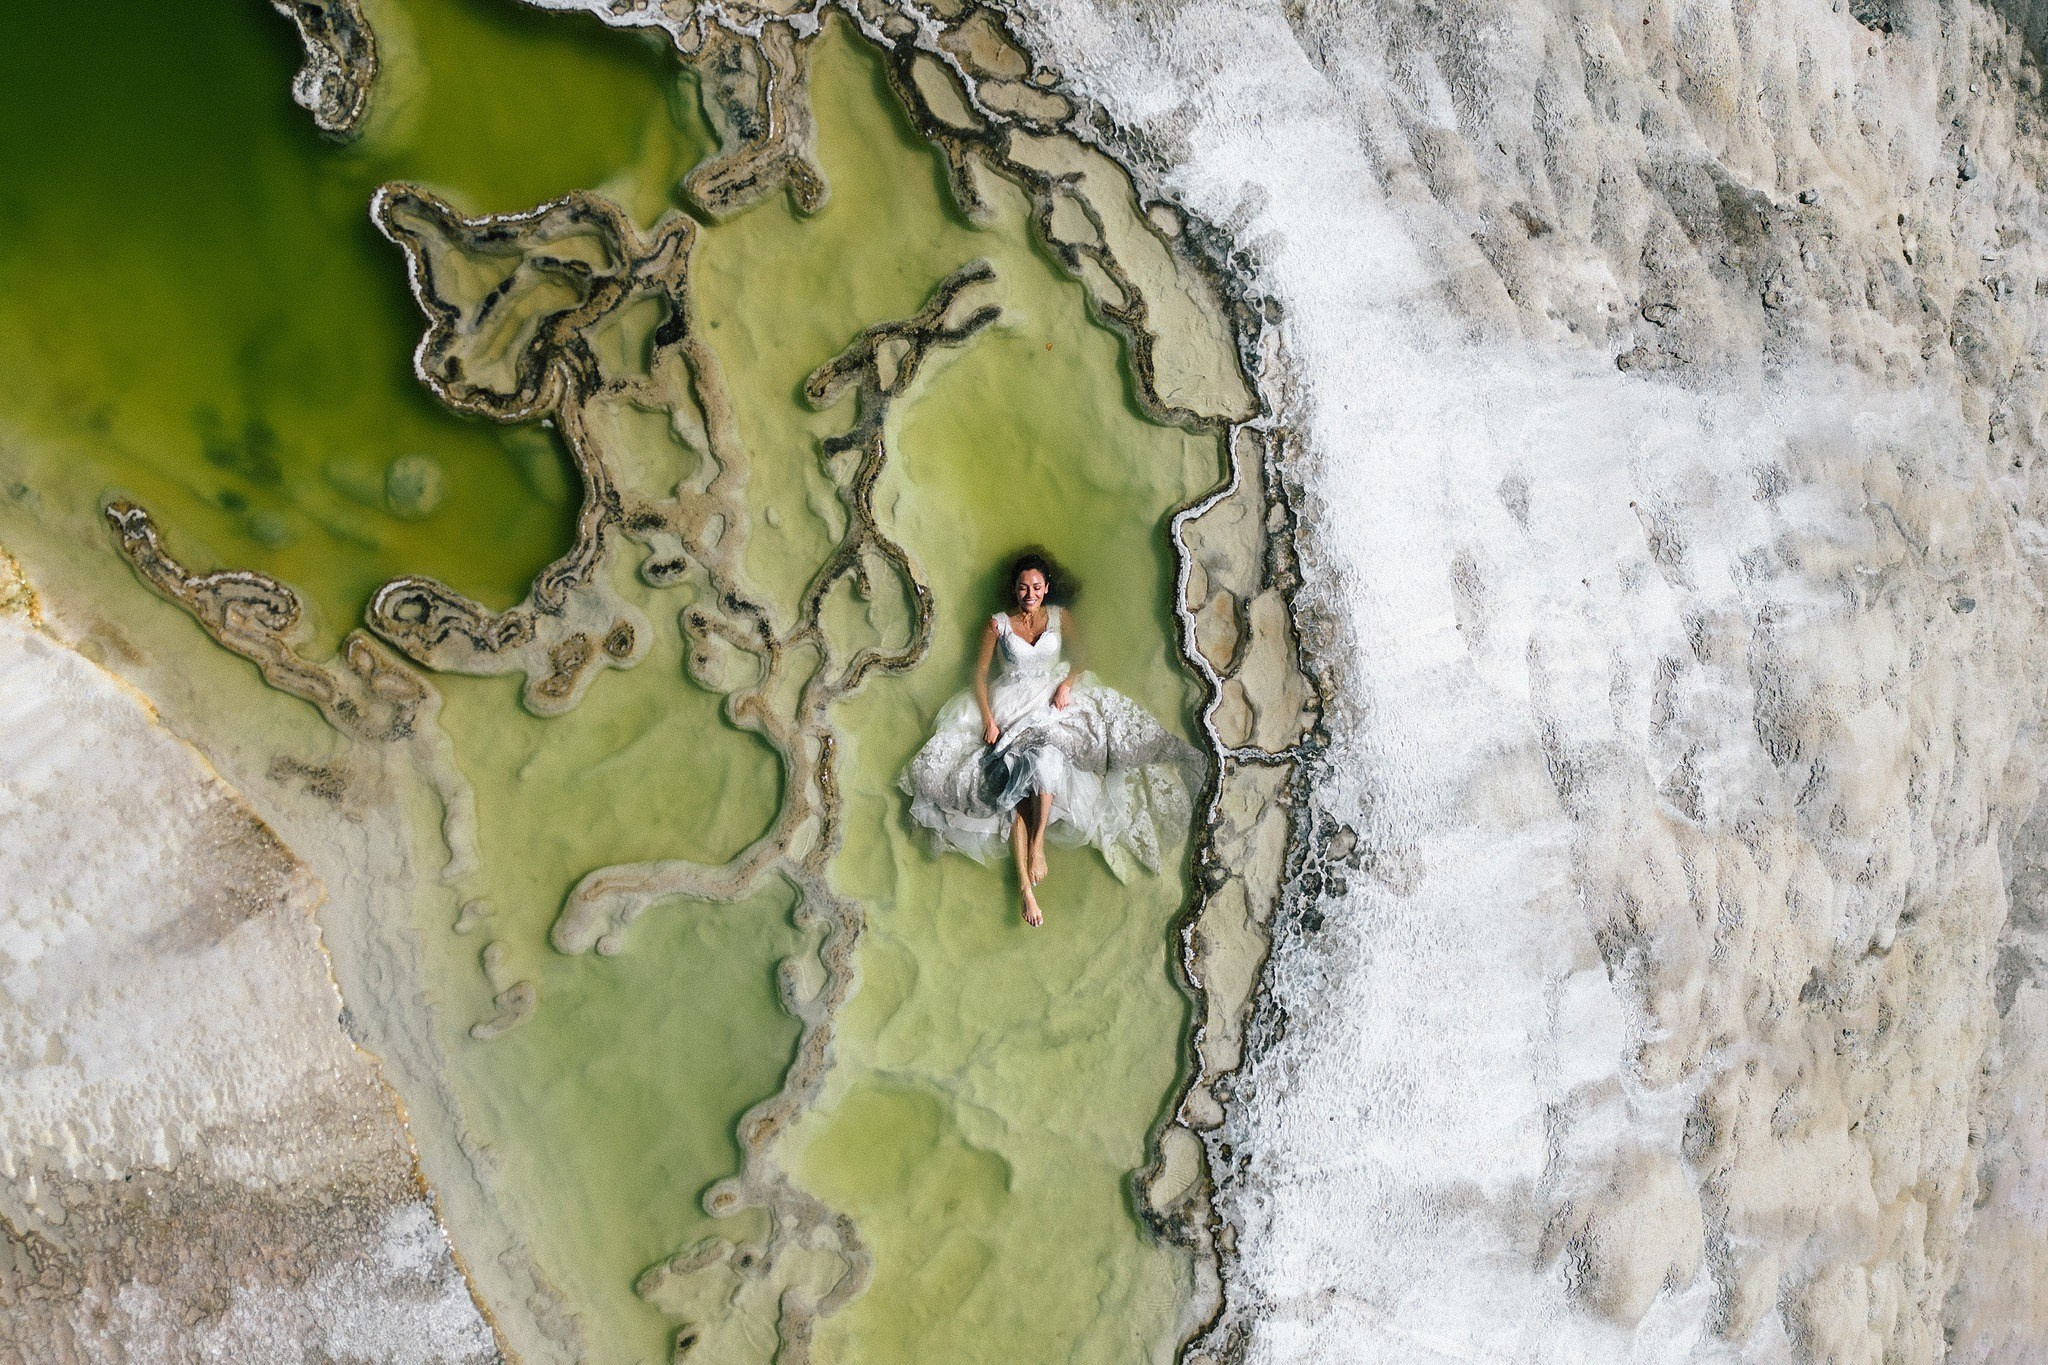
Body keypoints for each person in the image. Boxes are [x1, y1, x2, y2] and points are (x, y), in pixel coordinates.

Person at [900, 550, 1202, 926]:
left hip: (1049, 698)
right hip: (1010, 703)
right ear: (1014, 588)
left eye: (1037, 587)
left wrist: (1067, 685)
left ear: (1046, 588)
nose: (1031, 593)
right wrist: (989, 721)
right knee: (1013, 785)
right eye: (1024, 587)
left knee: (1044, 764)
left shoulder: (1060, 618)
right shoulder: (997, 625)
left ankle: (1036, 847)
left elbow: (1081, 658)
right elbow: (979, 676)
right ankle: (1026, 888)